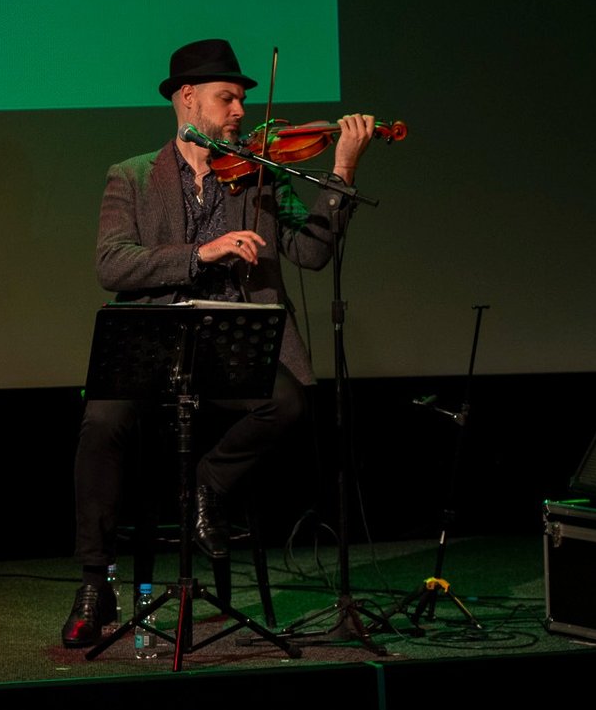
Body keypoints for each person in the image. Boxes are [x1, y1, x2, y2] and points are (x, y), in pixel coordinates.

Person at [61, 40, 374, 647]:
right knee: (101, 422)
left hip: (233, 340)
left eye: (242, 100)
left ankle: (209, 483)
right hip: (155, 338)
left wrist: (342, 172)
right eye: (227, 98)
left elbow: (310, 252)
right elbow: (113, 265)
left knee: (285, 403)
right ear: (187, 99)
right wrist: (200, 253)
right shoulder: (130, 175)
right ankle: (96, 582)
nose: (239, 111)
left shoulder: (258, 176)